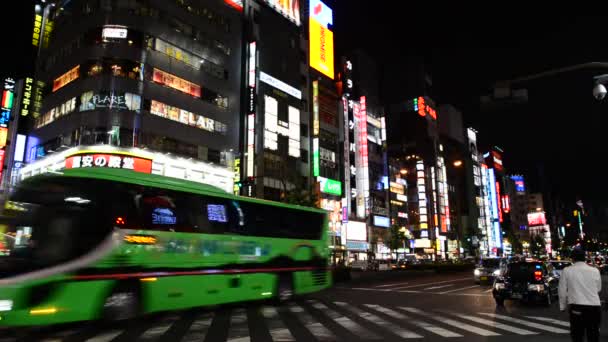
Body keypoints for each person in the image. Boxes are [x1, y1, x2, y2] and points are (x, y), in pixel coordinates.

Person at [559, 246, 602, 342]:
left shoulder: (567, 270)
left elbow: (562, 290)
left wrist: (563, 306)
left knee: (577, 336)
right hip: (594, 307)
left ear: (572, 258)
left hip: (577, 307)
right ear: (585, 258)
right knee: (593, 335)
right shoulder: (595, 270)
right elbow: (598, 289)